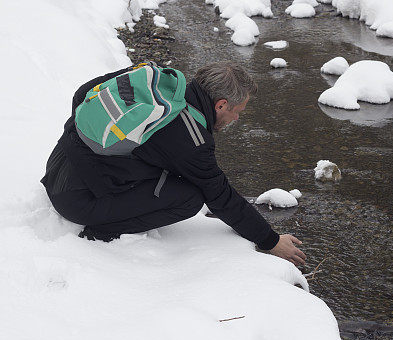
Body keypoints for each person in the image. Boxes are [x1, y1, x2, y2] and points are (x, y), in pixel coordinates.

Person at [41, 61, 306, 266]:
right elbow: (220, 196)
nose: (237, 118)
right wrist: (270, 241)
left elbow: (83, 94)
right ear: (222, 105)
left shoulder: (157, 82)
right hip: (75, 200)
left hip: (59, 165)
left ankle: (105, 185)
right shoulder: (190, 139)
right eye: (238, 111)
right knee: (189, 198)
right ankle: (101, 231)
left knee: (173, 173)